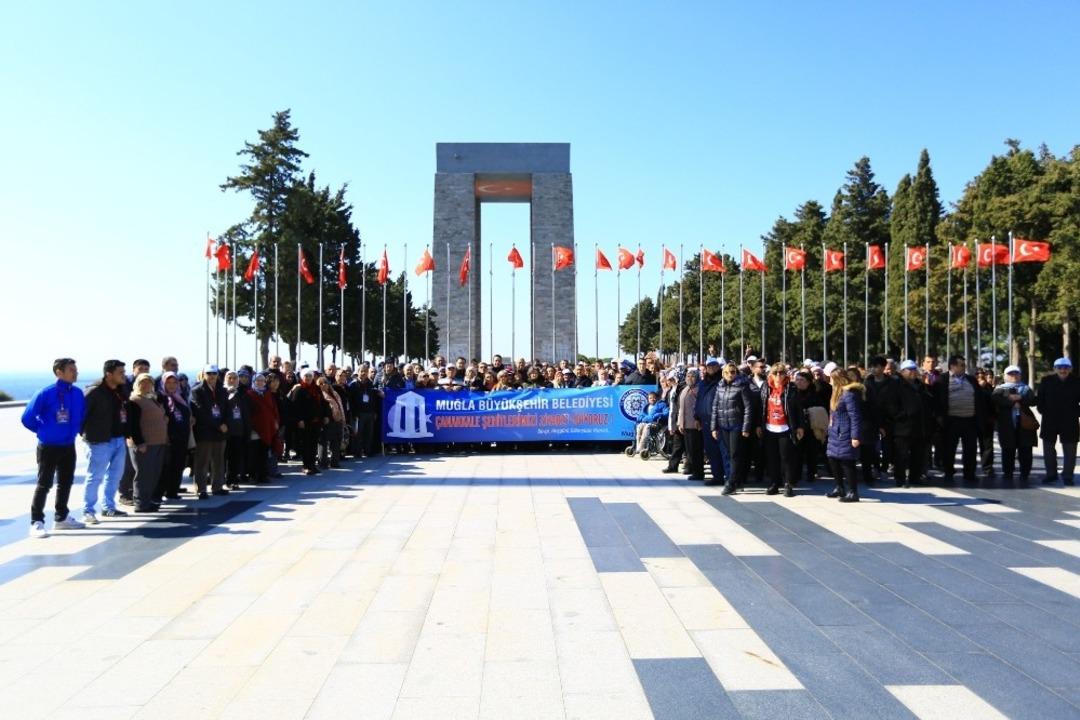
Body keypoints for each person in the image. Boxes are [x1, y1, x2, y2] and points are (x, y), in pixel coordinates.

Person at [22, 358, 87, 537]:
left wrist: (75, 432)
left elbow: (81, 415)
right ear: (59, 372)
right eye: (71, 370)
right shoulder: (45, 393)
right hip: (48, 446)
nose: (75, 373)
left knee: (66, 482)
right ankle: (36, 521)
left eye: (76, 369)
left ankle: (61, 518)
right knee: (44, 484)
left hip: (68, 445)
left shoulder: (77, 393)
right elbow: (27, 418)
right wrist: (44, 432)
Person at [81, 359, 130, 522]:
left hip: (118, 439)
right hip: (98, 441)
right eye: (120, 373)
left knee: (115, 475)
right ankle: (88, 510)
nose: (124, 375)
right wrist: (85, 434)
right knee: (95, 476)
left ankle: (108, 507)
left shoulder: (121, 390)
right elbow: (81, 414)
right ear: (109, 374)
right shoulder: (94, 391)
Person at [933, 355, 986, 487]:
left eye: (964, 365)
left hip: (969, 421)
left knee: (970, 449)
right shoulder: (942, 380)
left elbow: (979, 399)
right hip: (951, 420)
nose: (964, 367)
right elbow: (936, 401)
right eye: (961, 365)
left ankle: (969, 473)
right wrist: (940, 418)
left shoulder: (971, 380)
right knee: (949, 448)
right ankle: (948, 472)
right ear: (952, 366)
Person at [756, 363, 804, 497]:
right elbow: (761, 407)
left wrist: (800, 426)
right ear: (771, 374)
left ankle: (788, 484)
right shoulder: (766, 387)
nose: (778, 375)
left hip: (785, 427)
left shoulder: (791, 387)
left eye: (781, 373)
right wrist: (759, 425)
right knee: (772, 458)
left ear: (785, 374)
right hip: (769, 427)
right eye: (775, 373)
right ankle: (774, 483)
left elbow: (798, 409)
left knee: (787, 458)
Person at [885, 360, 934, 488]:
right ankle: (900, 479)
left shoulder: (920, 385)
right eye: (909, 370)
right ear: (902, 371)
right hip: (903, 428)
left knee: (918, 454)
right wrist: (903, 415)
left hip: (919, 427)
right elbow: (891, 405)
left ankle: (915, 477)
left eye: (914, 369)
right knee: (901, 455)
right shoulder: (896, 384)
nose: (913, 372)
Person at [125, 373, 168, 512]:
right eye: (142, 382)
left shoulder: (152, 398)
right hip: (144, 444)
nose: (146, 385)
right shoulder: (134, 400)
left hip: (158, 442)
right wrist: (139, 442)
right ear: (137, 384)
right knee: (143, 474)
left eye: (149, 382)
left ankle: (148, 500)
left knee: (153, 474)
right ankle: (140, 503)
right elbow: (132, 425)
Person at [1037, 357, 1080, 486]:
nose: (1063, 370)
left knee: (1070, 450)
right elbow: (1040, 400)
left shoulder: (1077, 382)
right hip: (1050, 419)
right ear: (1054, 369)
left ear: (1070, 369)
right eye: (1060, 368)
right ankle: (1051, 474)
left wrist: (1076, 412)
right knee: (1048, 449)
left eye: (1066, 368)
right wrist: (1044, 411)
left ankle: (1068, 475)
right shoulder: (1046, 381)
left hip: (1070, 420)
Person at [993, 365, 1038, 487]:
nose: (1014, 376)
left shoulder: (1026, 388)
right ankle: (1008, 472)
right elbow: (996, 400)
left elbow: (1033, 401)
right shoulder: (999, 389)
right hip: (1006, 424)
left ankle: (1025, 473)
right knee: (1008, 449)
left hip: (1024, 423)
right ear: (1005, 376)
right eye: (1011, 374)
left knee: (1026, 449)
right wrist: (1011, 401)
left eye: (1016, 373)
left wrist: (1021, 398)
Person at [191, 365, 230, 498]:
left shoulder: (222, 390)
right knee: (202, 462)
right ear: (204, 374)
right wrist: (218, 425)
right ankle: (201, 489)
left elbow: (227, 409)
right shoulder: (197, 390)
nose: (212, 376)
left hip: (220, 432)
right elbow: (201, 412)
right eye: (209, 373)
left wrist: (224, 423)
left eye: (214, 373)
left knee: (219, 461)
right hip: (205, 432)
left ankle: (217, 487)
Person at [826, 368, 864, 503]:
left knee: (847, 462)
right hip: (835, 432)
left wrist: (855, 436)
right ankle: (839, 487)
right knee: (832, 459)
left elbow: (855, 417)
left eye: (831, 378)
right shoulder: (836, 392)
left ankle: (853, 492)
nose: (829, 380)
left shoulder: (849, 394)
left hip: (845, 433)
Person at [158, 371, 192, 501]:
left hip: (182, 436)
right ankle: (161, 492)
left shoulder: (181, 396)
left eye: (174, 382)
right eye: (168, 382)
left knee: (178, 465)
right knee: (166, 467)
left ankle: (173, 491)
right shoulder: (160, 397)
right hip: (168, 437)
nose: (172, 385)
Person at [289, 368, 327, 474]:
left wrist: (325, 415)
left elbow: (323, 403)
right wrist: (299, 419)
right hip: (305, 422)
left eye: (310, 376)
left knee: (314, 444)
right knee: (306, 444)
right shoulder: (299, 389)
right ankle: (306, 466)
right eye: (306, 376)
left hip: (316, 422)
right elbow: (295, 407)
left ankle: (312, 465)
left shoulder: (317, 389)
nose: (308, 378)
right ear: (302, 377)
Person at [694, 358, 724, 484]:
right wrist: (696, 417)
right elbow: (699, 400)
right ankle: (716, 475)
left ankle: (721, 476)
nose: (711, 368)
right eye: (709, 366)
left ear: (718, 367)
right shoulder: (702, 382)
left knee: (720, 450)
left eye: (714, 366)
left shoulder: (721, 381)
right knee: (710, 450)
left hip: (717, 420)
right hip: (704, 420)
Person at [247, 373, 280, 483]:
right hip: (255, 429)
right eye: (258, 380)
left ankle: (263, 475)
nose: (260, 382)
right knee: (254, 453)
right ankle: (254, 475)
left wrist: (275, 421)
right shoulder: (249, 394)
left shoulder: (267, 394)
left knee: (264, 452)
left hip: (267, 427)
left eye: (262, 381)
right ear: (254, 382)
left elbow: (273, 409)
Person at [318, 376, 346, 468]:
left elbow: (340, 405)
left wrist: (342, 419)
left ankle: (335, 462)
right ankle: (323, 463)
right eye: (321, 383)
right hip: (326, 421)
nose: (324, 385)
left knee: (336, 442)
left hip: (337, 420)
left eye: (325, 382)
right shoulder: (319, 395)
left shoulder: (334, 393)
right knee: (323, 442)